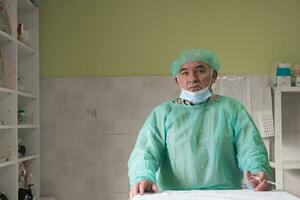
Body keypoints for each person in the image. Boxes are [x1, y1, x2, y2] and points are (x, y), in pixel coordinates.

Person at [127, 49, 271, 199]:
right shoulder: (162, 114)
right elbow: (145, 153)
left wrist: (257, 171)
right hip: (175, 195)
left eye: (200, 70)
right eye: (185, 73)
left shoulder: (232, 109)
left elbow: (250, 148)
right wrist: (143, 177)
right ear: (177, 80)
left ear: (214, 76)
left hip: (224, 195)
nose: (193, 78)